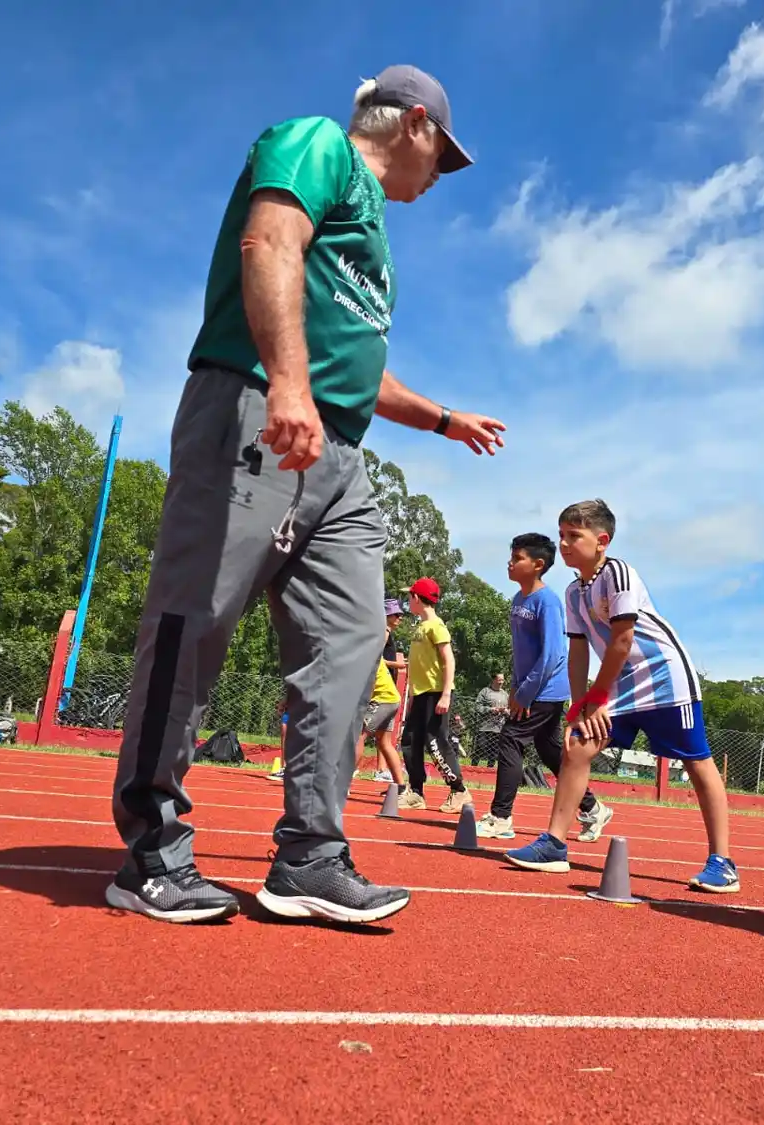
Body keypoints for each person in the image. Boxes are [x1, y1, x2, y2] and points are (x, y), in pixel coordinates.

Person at [106, 66, 504, 926]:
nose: (440, 177)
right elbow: (270, 245)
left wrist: (442, 419)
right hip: (256, 409)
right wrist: (288, 385)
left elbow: (356, 358)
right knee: (195, 620)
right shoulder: (316, 143)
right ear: (415, 126)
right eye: (445, 154)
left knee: (354, 639)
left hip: (341, 455)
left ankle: (311, 855)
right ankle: (150, 849)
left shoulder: (378, 240)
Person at [504, 501, 738, 892]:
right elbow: (578, 652)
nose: (563, 543)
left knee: (698, 763)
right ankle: (554, 845)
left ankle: (723, 862)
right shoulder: (573, 592)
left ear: (602, 541)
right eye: (561, 535)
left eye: (573, 535)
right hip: (616, 684)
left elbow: (623, 639)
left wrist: (595, 698)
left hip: (663, 678)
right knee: (578, 746)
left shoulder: (619, 574)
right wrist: (579, 707)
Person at [478, 532, 612, 842]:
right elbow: (522, 652)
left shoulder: (548, 601)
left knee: (510, 739)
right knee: (551, 752)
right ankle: (593, 809)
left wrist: (525, 693)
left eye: (517, 558)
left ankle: (500, 817)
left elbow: (552, 654)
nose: (510, 563)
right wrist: (514, 688)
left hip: (546, 690)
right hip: (528, 688)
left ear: (538, 565)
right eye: (511, 557)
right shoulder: (518, 600)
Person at [399, 577, 471, 813]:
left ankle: (459, 790)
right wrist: (411, 698)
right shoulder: (419, 626)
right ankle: (416, 792)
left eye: (409, 597)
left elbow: (449, 660)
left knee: (436, 742)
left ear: (417, 599)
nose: (408, 601)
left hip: (435, 693)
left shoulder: (436, 626)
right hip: (420, 695)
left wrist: (446, 694)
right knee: (410, 740)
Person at [355, 599, 408, 787]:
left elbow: (375, 662)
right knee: (384, 742)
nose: (400, 617)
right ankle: (401, 787)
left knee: (359, 735)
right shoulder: (382, 633)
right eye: (397, 614)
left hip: (383, 697)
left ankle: (342, 781)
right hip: (391, 697)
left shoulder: (381, 634)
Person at [471, 673, 510, 766]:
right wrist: (490, 709)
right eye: (499, 680)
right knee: (481, 747)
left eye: (503, 680)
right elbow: (477, 706)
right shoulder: (485, 691)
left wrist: (506, 712)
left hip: (498, 728)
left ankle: (490, 769)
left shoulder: (505, 694)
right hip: (484, 726)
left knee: (494, 751)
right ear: (493, 680)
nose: (501, 682)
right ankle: (473, 767)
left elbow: (509, 709)